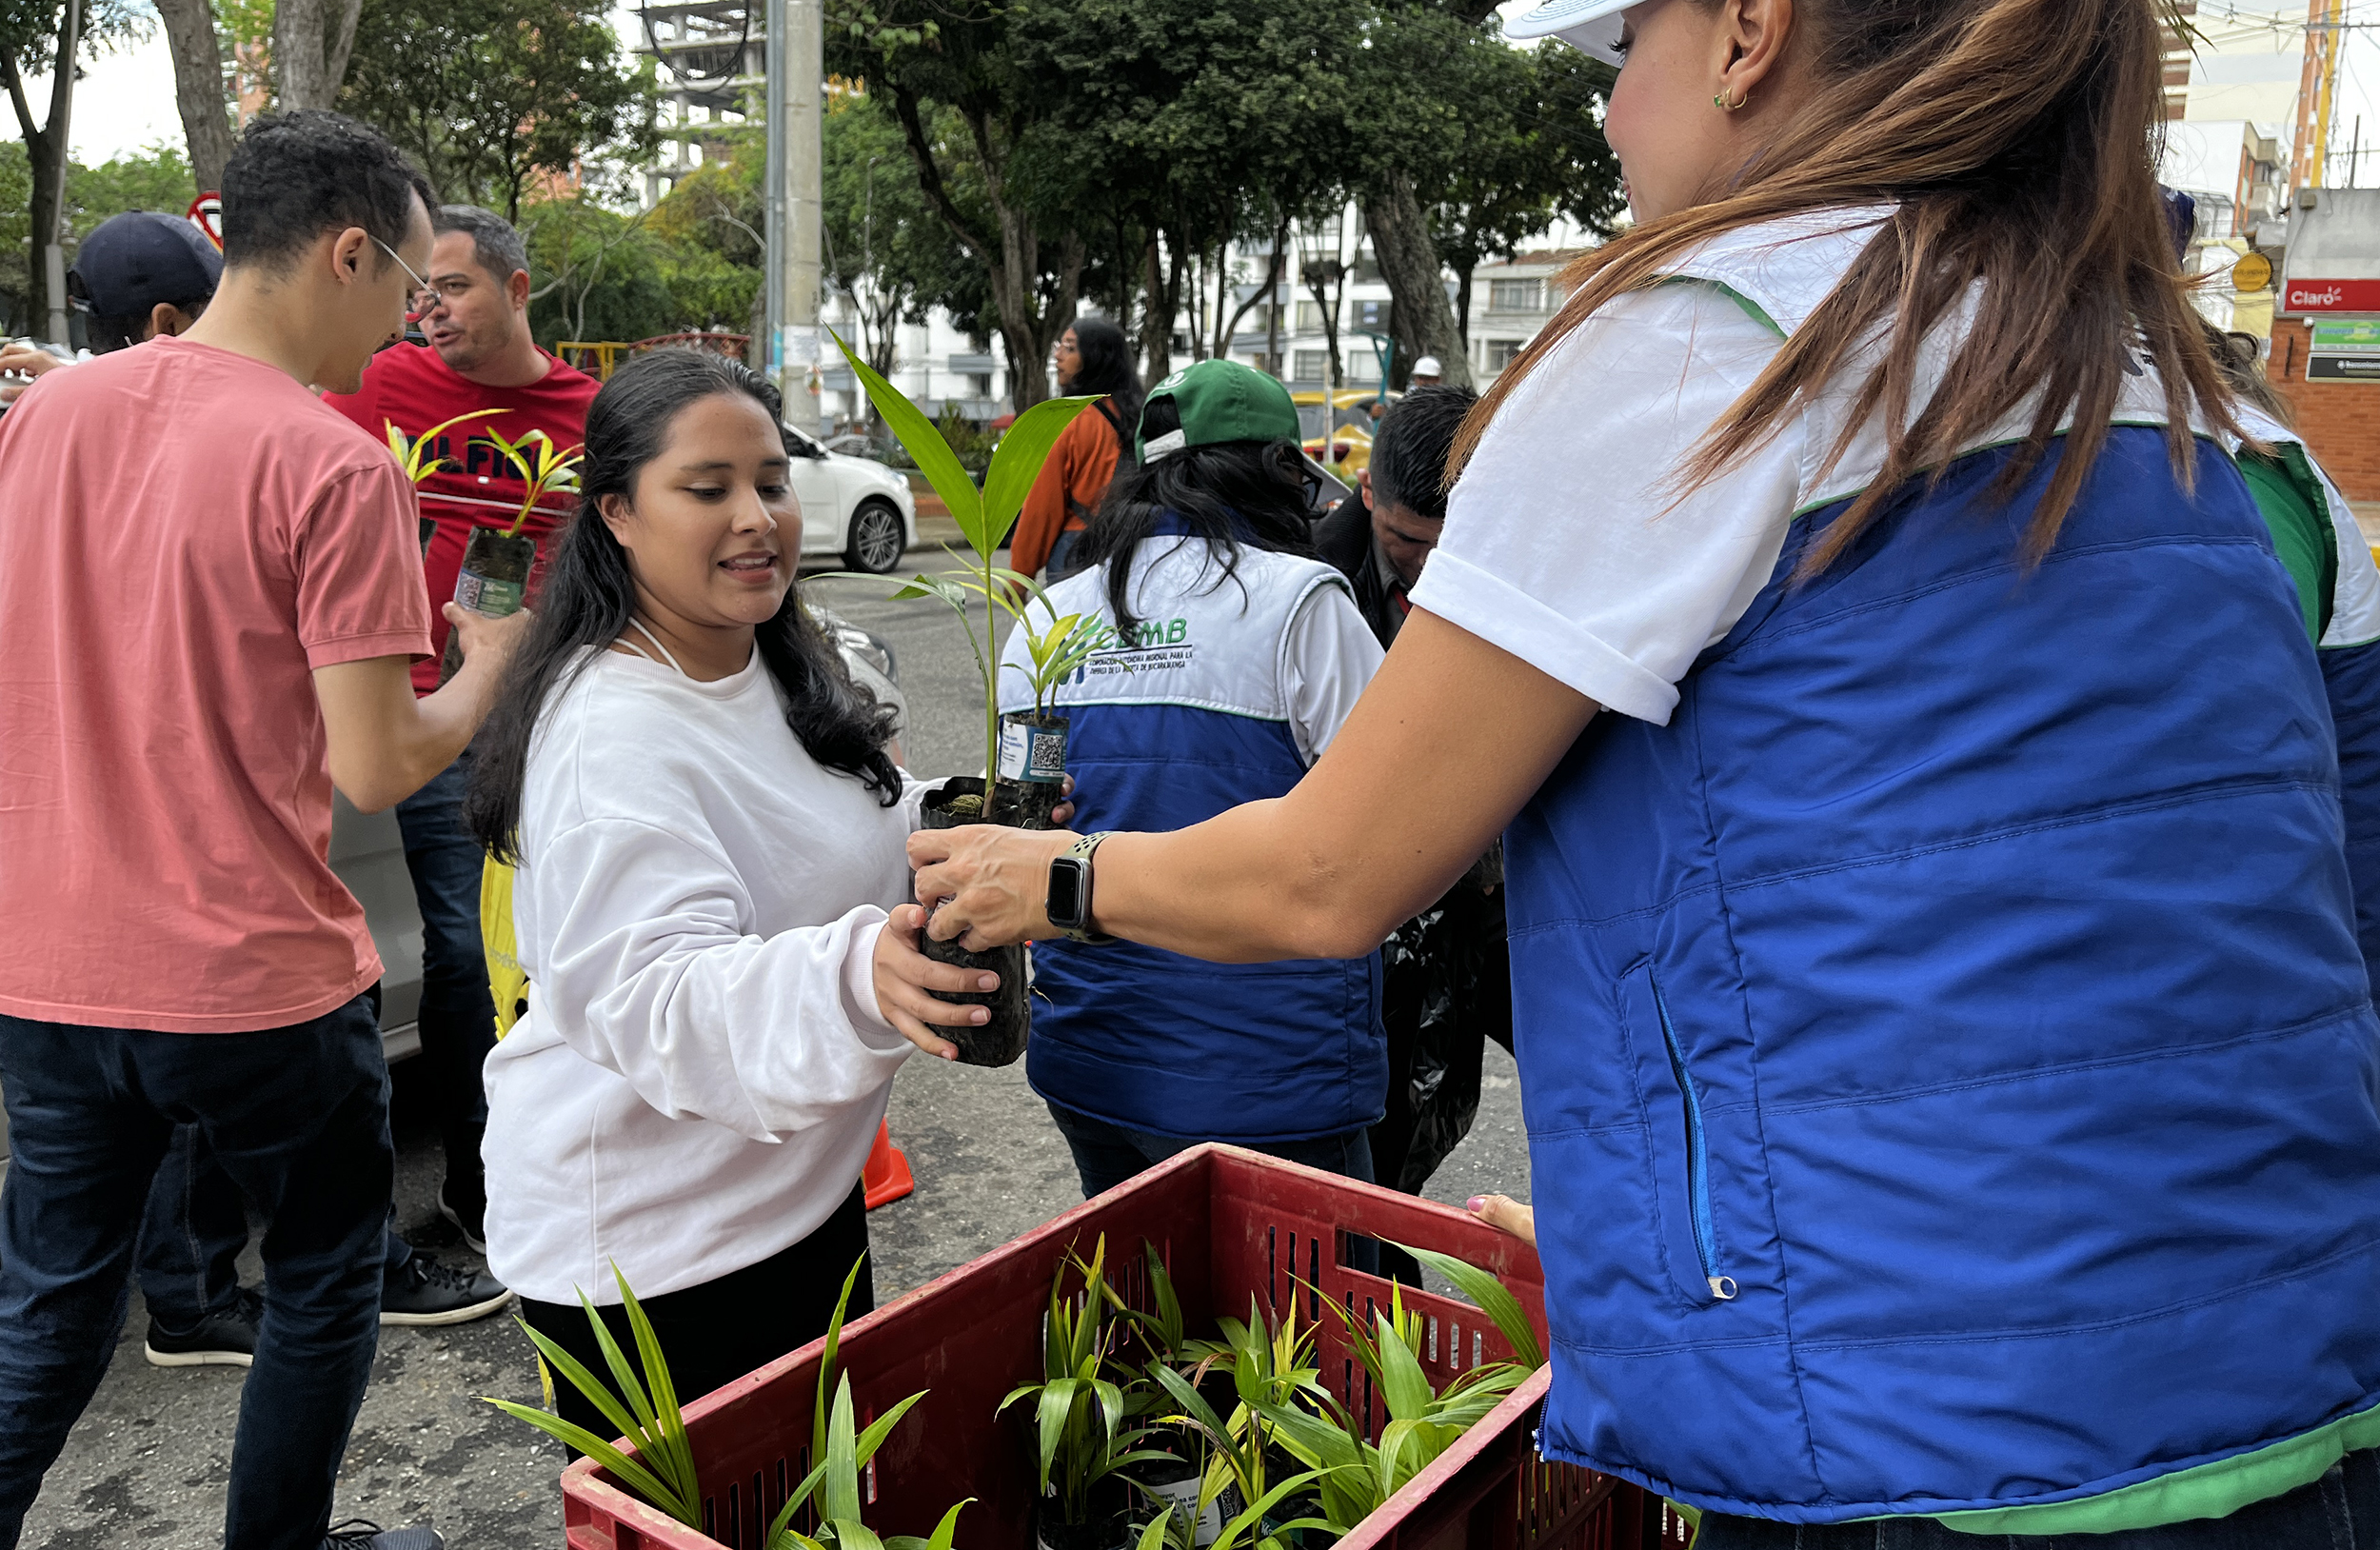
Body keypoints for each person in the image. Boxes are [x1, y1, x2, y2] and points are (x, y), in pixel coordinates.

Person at [907, 0, 2380, 1542]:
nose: (1612, 123)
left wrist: (1054, 878)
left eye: (1623, 59)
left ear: (1750, 31)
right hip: (2289, 1389)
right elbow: (2109, 943)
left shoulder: (1711, 342)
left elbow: (1327, 872)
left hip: (1918, 1447)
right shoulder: (2200, 400)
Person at [0, 109, 529, 1550]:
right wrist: (485, 665)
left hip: (46, 967)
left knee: (46, 1320)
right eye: (406, 287)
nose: (410, 323)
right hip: (252, 979)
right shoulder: (336, 465)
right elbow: (375, 766)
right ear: (345, 251)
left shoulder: (44, 417)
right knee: (319, 1279)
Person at [460, 348, 1021, 1436]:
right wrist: (861, 973)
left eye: (768, 481)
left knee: (819, 1497)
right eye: (706, 488)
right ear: (618, 511)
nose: (757, 515)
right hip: (648, 1255)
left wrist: (966, 820)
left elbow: (849, 814)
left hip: (794, 1194)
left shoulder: (762, 655)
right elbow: (651, 996)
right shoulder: (608, 735)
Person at [995, 358, 1388, 1199]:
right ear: (1281, 471)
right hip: (1273, 1076)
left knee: (1144, 1312)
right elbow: (1389, 828)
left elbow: (1022, 828)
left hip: (1093, 1062)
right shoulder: (1302, 603)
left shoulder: (1048, 619)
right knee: (1311, 1325)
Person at [324, 203, 598, 1324]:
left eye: (455, 289)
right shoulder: (376, 386)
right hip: (432, 709)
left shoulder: (592, 412)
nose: (430, 310)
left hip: (557, 711)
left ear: (518, 287)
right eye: (421, 291)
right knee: (460, 950)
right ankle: (480, 1189)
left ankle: (551, 1166)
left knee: (557, 936)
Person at [1313, 388, 1510, 1284]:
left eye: (1450, 543)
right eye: (1406, 543)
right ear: (1365, 503)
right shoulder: (1314, 588)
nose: (1430, 570)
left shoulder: (1538, 564)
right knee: (1386, 1121)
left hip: (1501, 884)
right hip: (1382, 897)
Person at [1008, 315, 1145, 583]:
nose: (1057, 355)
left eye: (1070, 348)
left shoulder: (1069, 420)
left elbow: (1043, 505)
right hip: (1132, 546)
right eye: (1059, 346)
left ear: (1094, 359)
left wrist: (1020, 573)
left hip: (1077, 551)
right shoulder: (1142, 417)